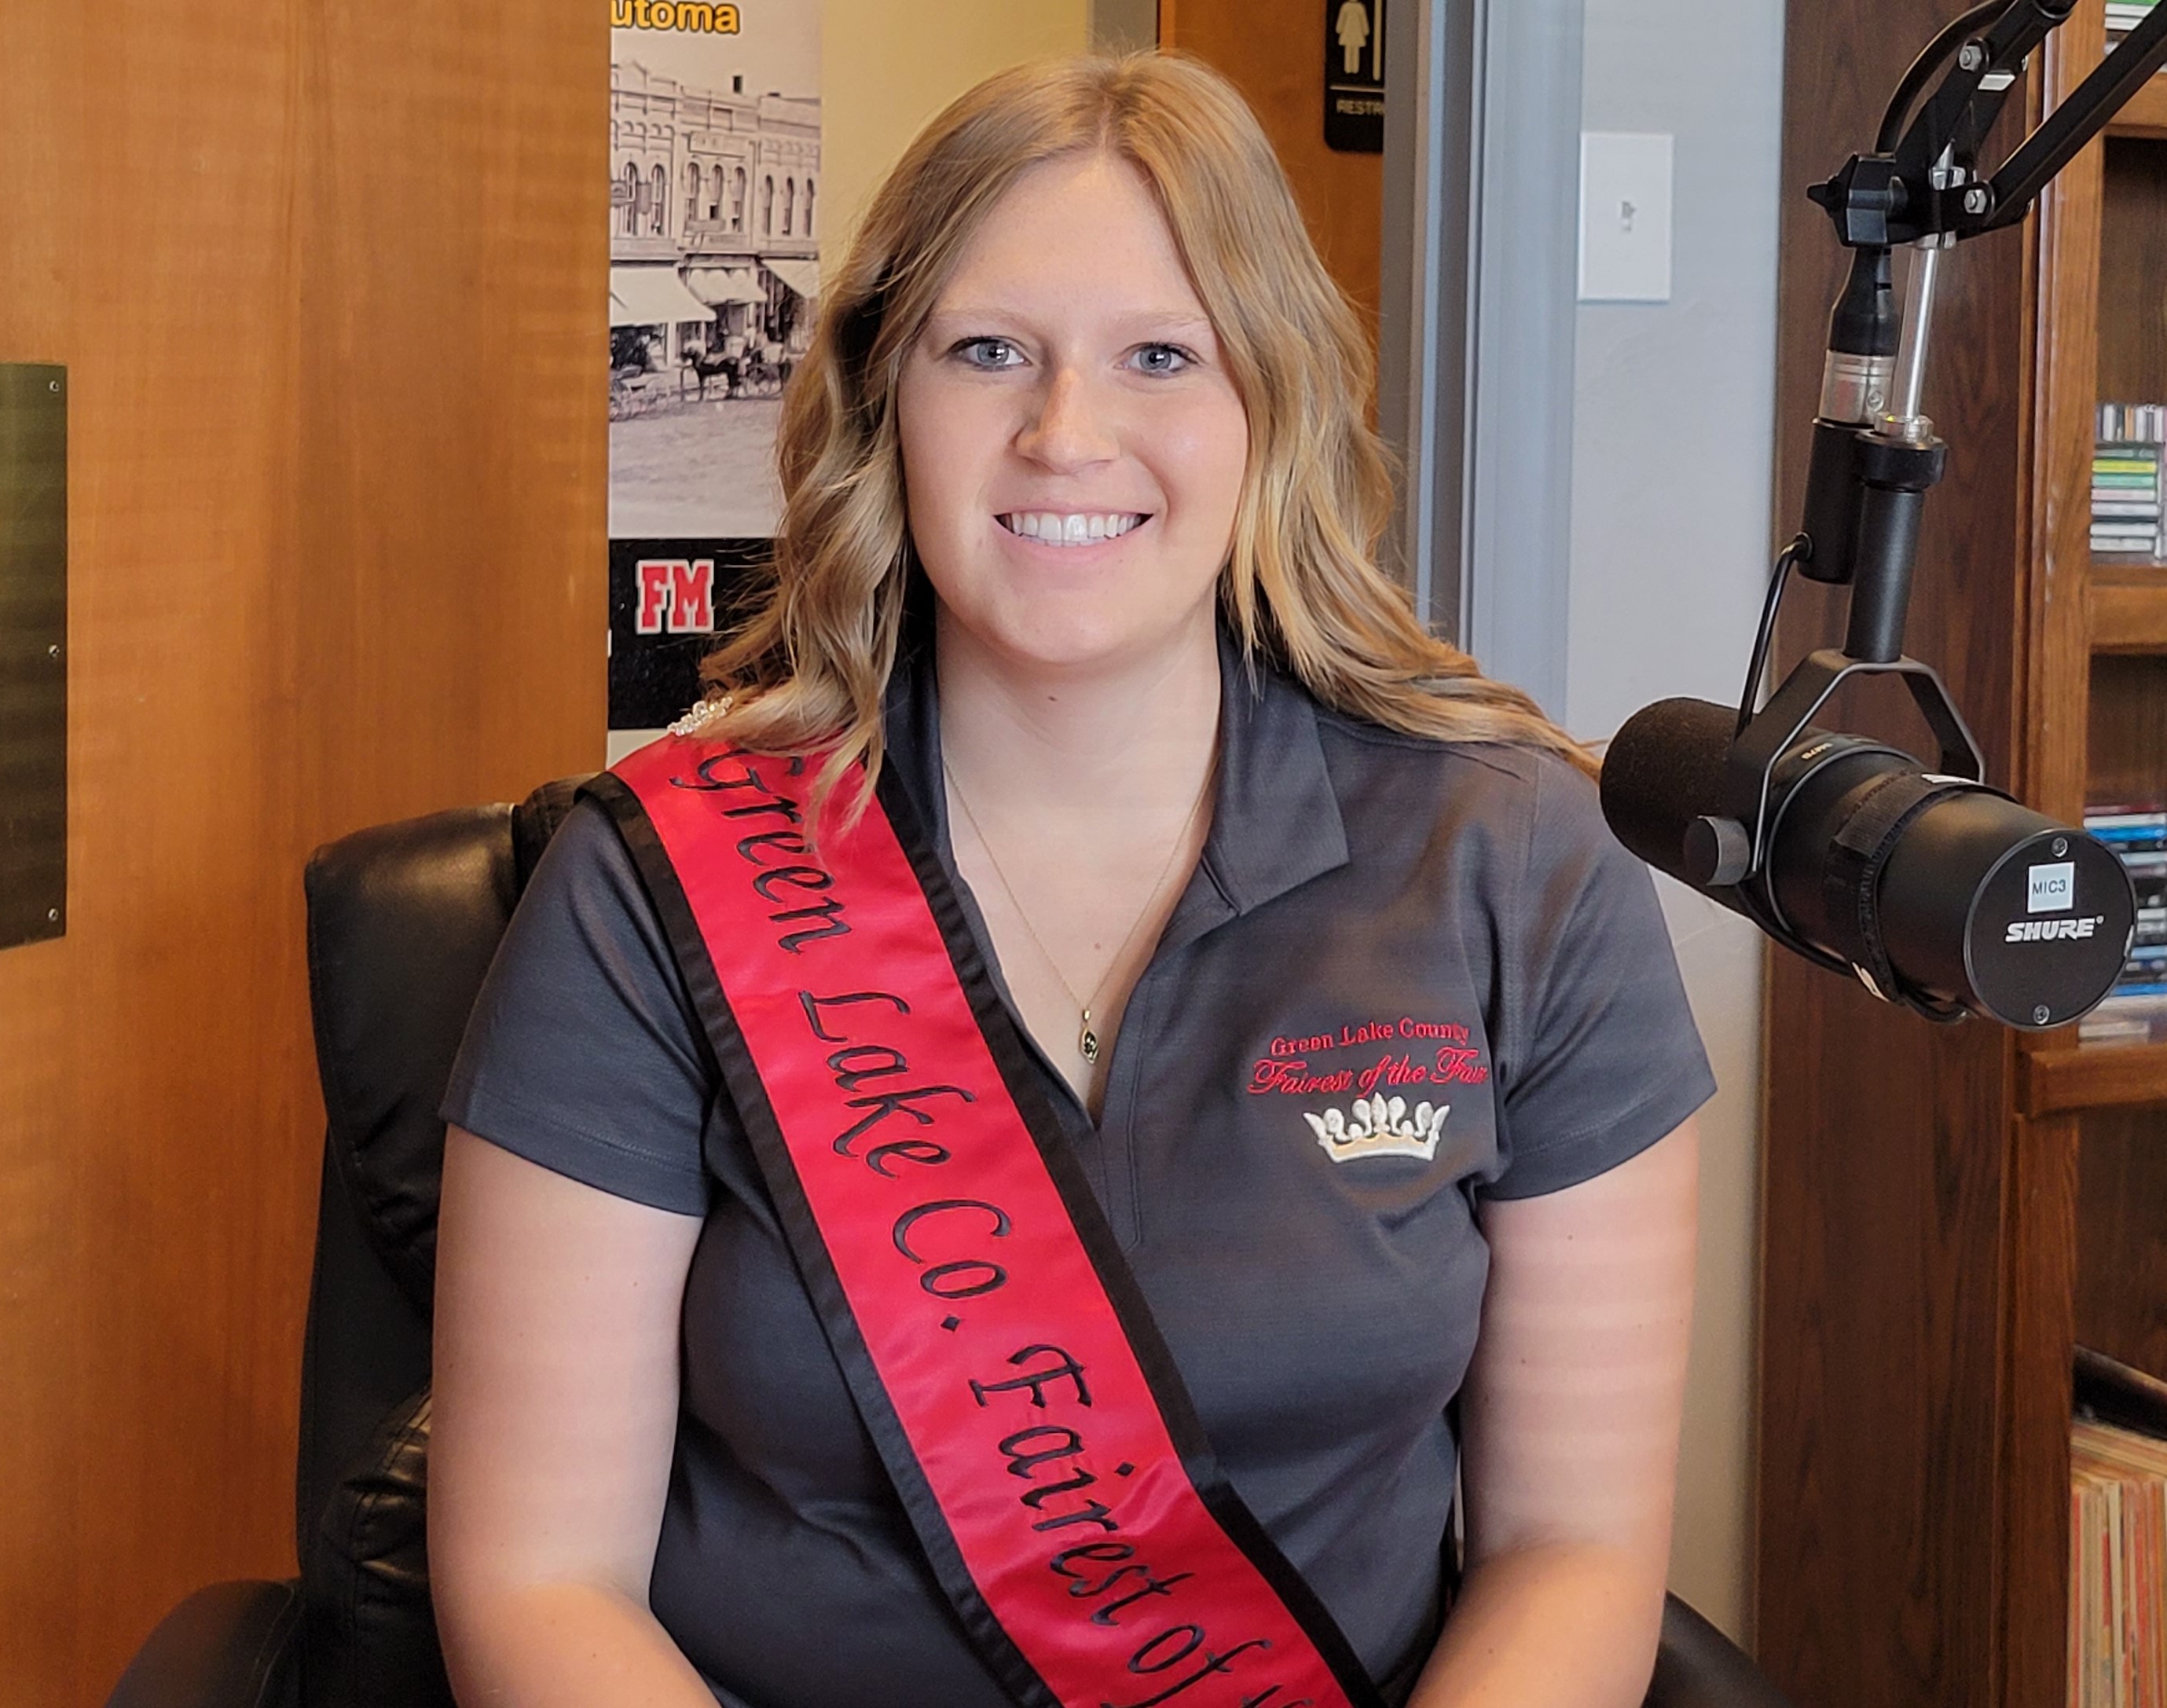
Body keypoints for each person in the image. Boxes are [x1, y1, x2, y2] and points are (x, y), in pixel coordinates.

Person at [430, 51, 1710, 1708]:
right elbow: (539, 1582)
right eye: (987, 352)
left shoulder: (1521, 864)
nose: (1064, 433)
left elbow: (1574, 1553)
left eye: (1160, 354)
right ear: (887, 401)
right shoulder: (645, 888)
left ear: (1274, 403)